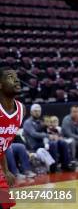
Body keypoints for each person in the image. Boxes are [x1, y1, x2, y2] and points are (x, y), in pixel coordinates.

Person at [0, 67, 25, 208]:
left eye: (16, 76)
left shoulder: (21, 110)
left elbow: (1, 147)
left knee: (6, 204)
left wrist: (6, 170)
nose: (16, 79)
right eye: (10, 76)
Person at [23, 105, 72, 172]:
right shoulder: (27, 122)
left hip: (43, 142)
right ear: (31, 112)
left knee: (62, 142)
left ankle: (66, 165)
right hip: (33, 145)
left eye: (39, 111)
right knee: (52, 144)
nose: (37, 112)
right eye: (35, 111)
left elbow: (47, 132)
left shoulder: (40, 122)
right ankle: (53, 167)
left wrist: (55, 136)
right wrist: (48, 136)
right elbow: (33, 134)